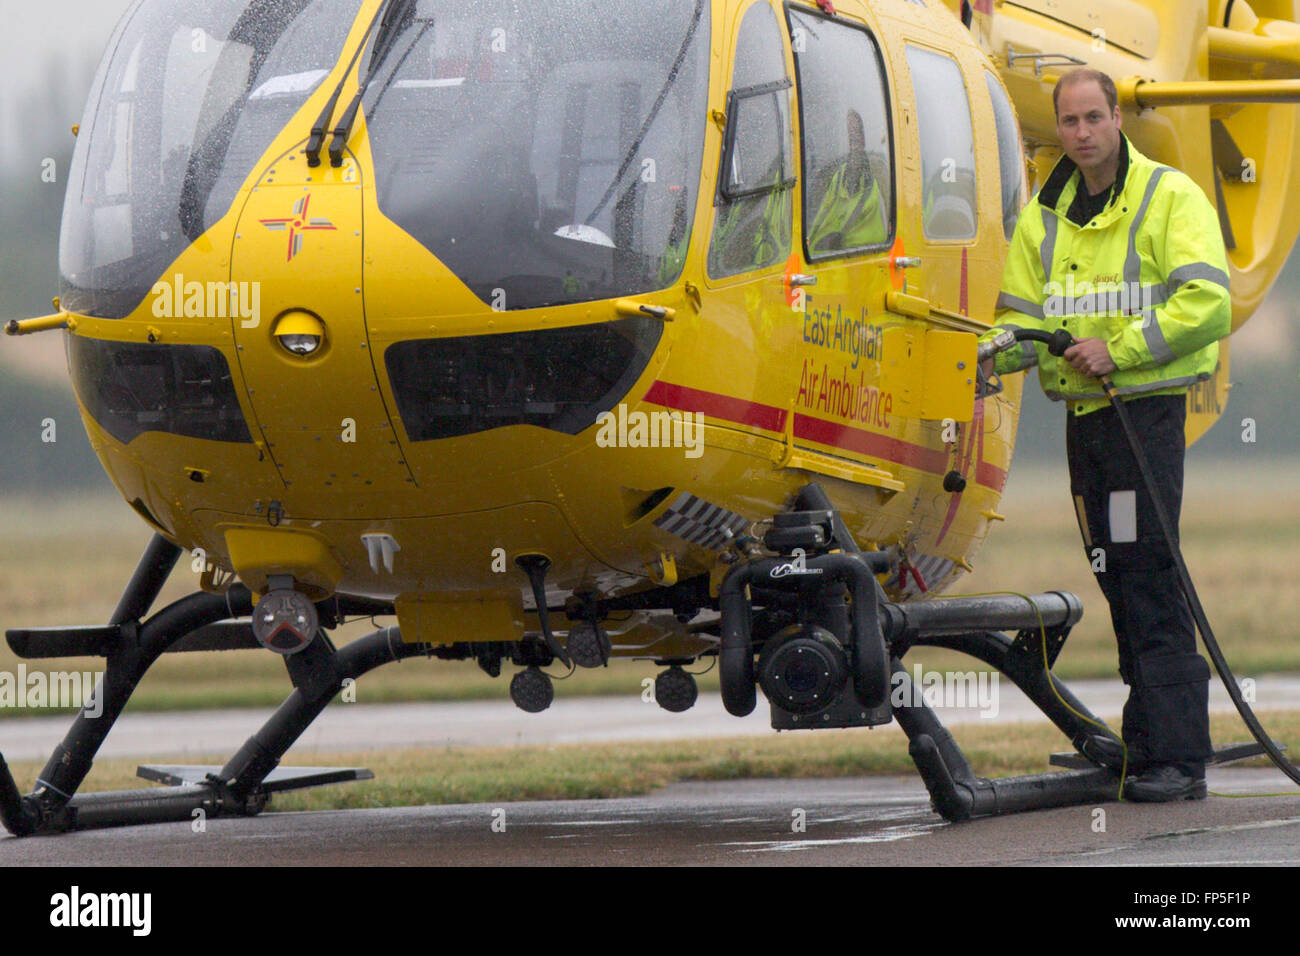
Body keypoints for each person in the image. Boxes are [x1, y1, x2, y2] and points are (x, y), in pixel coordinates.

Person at [981, 68, 1231, 802]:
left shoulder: (1169, 197)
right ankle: (1147, 745)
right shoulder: (1043, 216)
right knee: (1116, 572)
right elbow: (1023, 328)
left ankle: (1177, 760)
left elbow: (1207, 305)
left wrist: (1116, 348)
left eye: (1094, 118)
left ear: (1117, 118)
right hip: (1086, 423)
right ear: (1056, 127)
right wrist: (984, 361)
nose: (1082, 133)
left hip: (1142, 414)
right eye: (1069, 121)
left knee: (1149, 571)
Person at [806, 109, 887, 256]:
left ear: (864, 138)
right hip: (837, 256)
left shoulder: (878, 169)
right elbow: (823, 212)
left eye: (857, 137)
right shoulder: (838, 175)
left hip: (872, 253)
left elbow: (893, 212)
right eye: (850, 138)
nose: (853, 144)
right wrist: (810, 238)